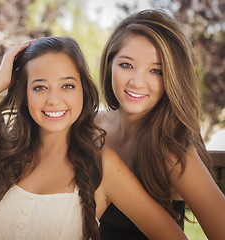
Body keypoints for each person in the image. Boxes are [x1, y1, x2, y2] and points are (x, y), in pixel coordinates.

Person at [0, 36, 187, 240]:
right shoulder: (3, 148)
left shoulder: (102, 165)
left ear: (83, 89)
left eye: (67, 85)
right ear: (24, 93)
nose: (53, 99)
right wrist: (0, 82)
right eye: (39, 87)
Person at [96, 9, 225, 240]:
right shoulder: (88, 126)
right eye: (126, 65)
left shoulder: (172, 151)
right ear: (109, 64)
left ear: (173, 78)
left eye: (156, 71)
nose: (137, 82)